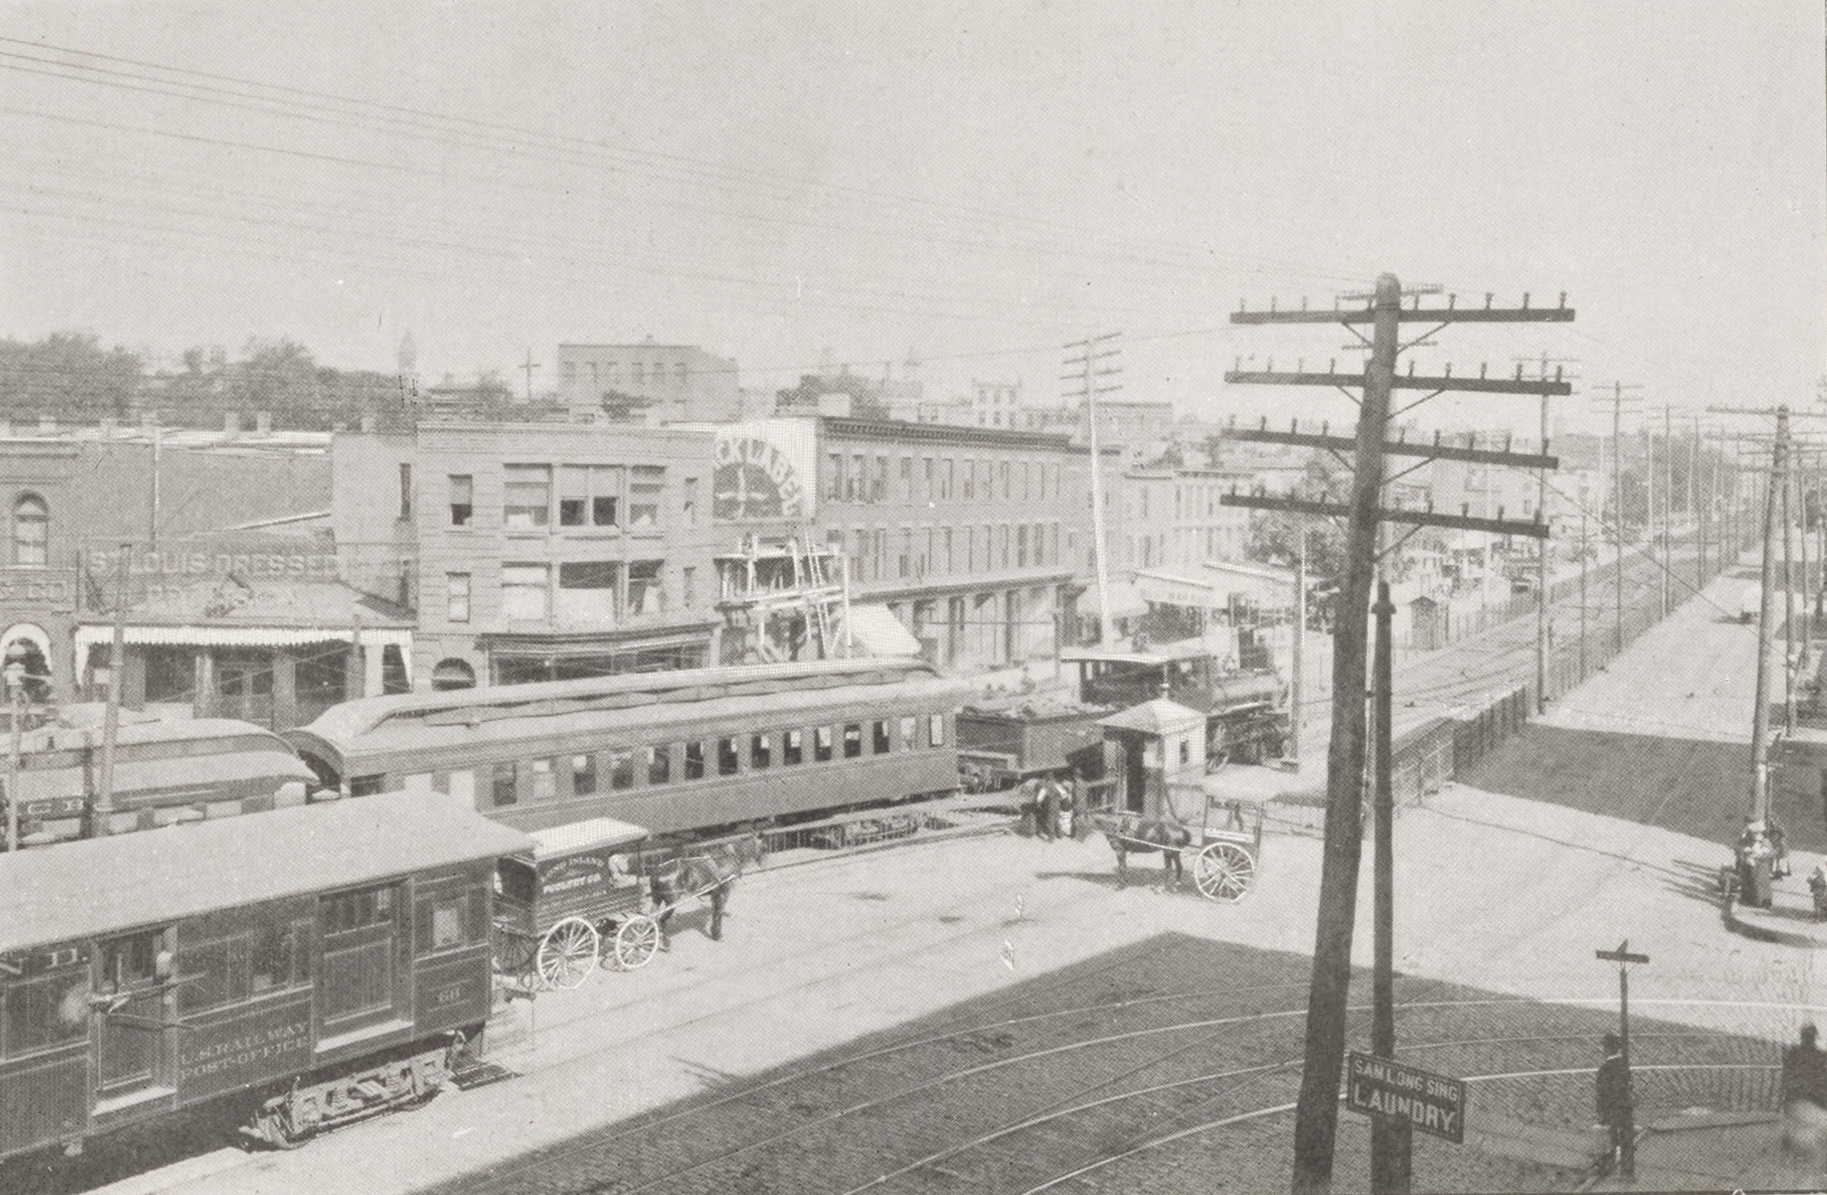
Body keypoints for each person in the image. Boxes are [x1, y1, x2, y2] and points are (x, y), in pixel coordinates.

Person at [1595, 1033, 1631, 1177]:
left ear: (1607, 1049)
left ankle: (1611, 1166)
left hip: (1611, 1108)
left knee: (1611, 1137)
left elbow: (1602, 1093)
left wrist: (1601, 1112)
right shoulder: (1624, 1066)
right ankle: (1623, 1162)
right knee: (1623, 1136)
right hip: (1624, 1107)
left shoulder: (1604, 1069)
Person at [649, 861, 677, 951]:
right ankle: (662, 925)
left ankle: (651, 926)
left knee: (656, 902)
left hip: (654, 877)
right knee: (671, 905)